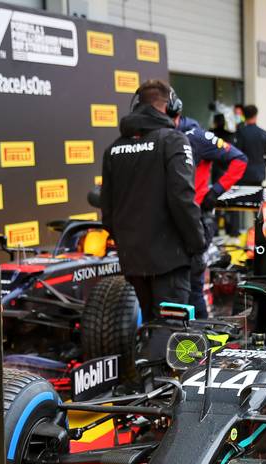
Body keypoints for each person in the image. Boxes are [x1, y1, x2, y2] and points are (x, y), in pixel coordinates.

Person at [100, 80, 205, 353]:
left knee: (150, 327)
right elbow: (183, 198)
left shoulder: (114, 148)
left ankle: (146, 384)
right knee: (173, 338)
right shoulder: (174, 140)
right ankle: (168, 391)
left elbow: (107, 212)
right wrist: (197, 243)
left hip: (134, 260)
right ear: (170, 107)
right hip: (170, 260)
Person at [177, 113, 247, 318]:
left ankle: (199, 338)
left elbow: (239, 159)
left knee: (193, 283)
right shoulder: (158, 136)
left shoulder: (197, 136)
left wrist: (215, 191)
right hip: (168, 219)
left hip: (196, 216)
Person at [234, 104, 266, 186]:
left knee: (244, 198)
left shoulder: (241, 132)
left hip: (244, 173)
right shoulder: (264, 134)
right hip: (259, 173)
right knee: (256, 197)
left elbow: (237, 153)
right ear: (255, 115)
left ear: (244, 116)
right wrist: (262, 165)